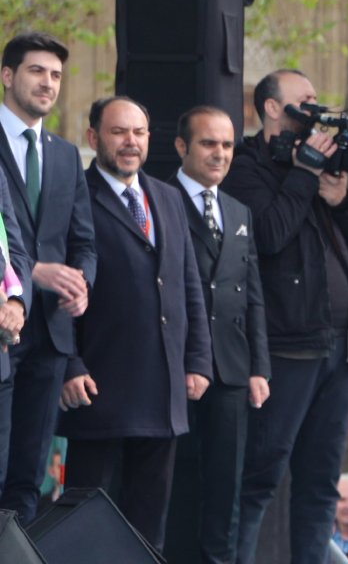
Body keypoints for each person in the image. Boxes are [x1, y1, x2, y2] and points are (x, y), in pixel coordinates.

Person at [224, 69, 348, 564]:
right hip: (286, 345)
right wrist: (302, 176)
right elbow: (267, 236)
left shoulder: (314, 173)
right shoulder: (246, 167)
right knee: (261, 474)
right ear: (272, 108)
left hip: (341, 346)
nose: (316, 109)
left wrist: (341, 199)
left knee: (321, 482)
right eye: (305, 100)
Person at [57, 95, 212, 548]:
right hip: (97, 389)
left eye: (139, 132)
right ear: (93, 138)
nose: (130, 142)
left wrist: (198, 359)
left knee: (148, 527)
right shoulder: (73, 196)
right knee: (86, 522)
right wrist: (69, 363)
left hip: (162, 390)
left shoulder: (166, 196)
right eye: (118, 132)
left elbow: (189, 284)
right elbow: (60, 291)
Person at [165, 105, 270, 564]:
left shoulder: (237, 209)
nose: (220, 154)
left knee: (226, 489)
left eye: (228, 145)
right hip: (175, 366)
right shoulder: (159, 200)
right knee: (176, 484)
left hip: (231, 369)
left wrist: (259, 368)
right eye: (209, 143)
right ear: (182, 146)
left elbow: (253, 296)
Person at [0, 32, 67, 524]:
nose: (48, 83)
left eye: (56, 75)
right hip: (6, 329)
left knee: (28, 476)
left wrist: (79, 278)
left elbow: (77, 238)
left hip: (46, 330)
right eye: (36, 71)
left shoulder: (63, 155)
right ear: (7, 76)